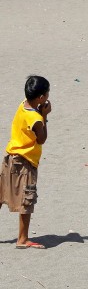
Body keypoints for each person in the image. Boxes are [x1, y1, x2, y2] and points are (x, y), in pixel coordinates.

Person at [0, 75, 52, 249]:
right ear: (41, 98)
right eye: (47, 93)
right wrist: (44, 116)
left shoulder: (24, 104)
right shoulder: (36, 119)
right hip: (25, 161)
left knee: (1, 194)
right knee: (27, 198)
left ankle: (22, 238)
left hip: (10, 157)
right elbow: (42, 139)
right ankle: (22, 239)